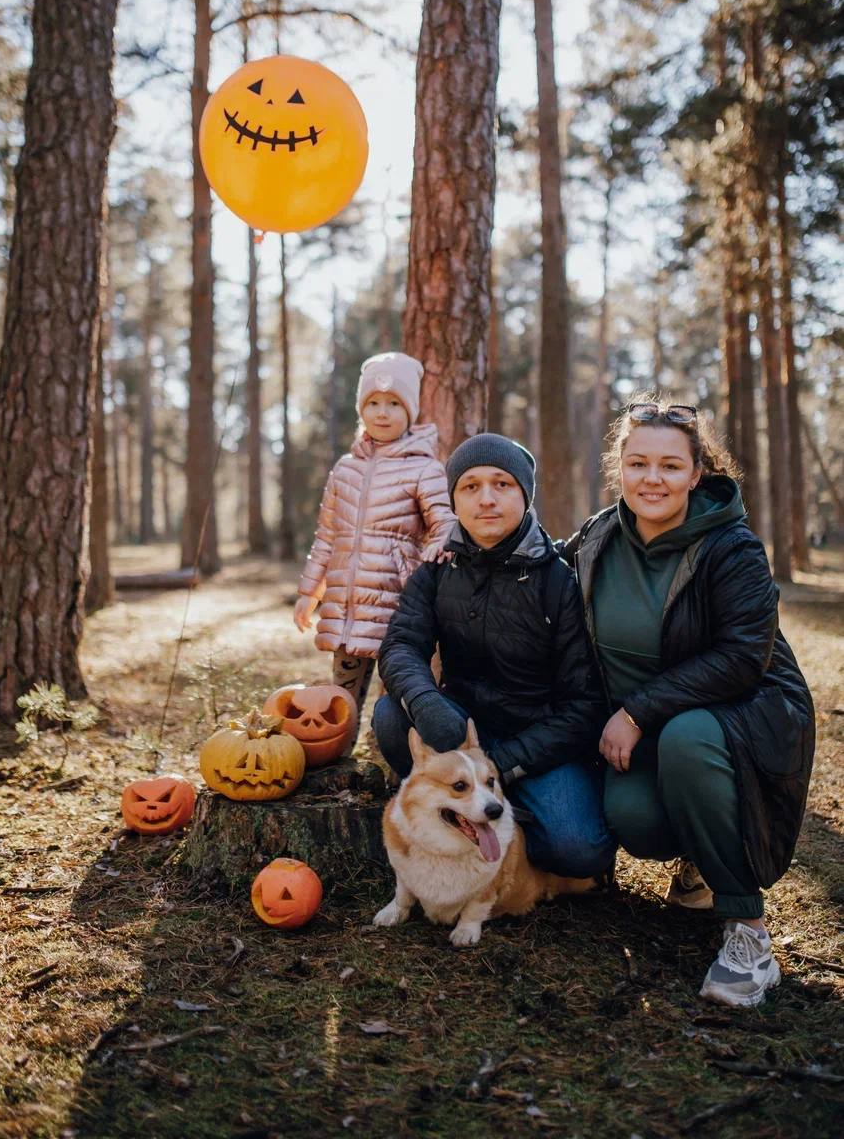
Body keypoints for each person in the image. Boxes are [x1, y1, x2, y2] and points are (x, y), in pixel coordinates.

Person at [562, 397, 814, 1008]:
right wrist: (457, 549)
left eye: (671, 467)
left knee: (688, 737)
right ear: (620, 466)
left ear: (698, 473)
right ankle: (702, 859)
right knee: (632, 819)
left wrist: (637, 712)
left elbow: (742, 657)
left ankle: (749, 937)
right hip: (654, 731)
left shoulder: (731, 547)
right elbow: (535, 570)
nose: (654, 479)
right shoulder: (598, 538)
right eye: (639, 463)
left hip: (747, 713)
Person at [373, 432, 617, 882]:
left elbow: (584, 707)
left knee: (579, 852)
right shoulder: (438, 569)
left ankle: (511, 815)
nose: (486, 499)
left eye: (502, 484)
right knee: (392, 715)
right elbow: (401, 644)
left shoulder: (559, 582)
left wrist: (500, 765)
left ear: (524, 495)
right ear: (455, 499)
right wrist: (427, 702)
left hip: (539, 744)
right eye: (471, 486)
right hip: (462, 731)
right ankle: (454, 818)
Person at [294, 352, 454, 718]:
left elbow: (443, 522)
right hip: (348, 608)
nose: (383, 412)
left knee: (397, 693)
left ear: (410, 410)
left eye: (394, 403)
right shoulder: (345, 470)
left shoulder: (424, 468)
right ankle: (339, 758)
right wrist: (309, 592)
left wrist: (435, 551)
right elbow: (327, 536)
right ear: (361, 409)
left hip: (396, 603)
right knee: (341, 699)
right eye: (374, 403)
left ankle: (394, 756)